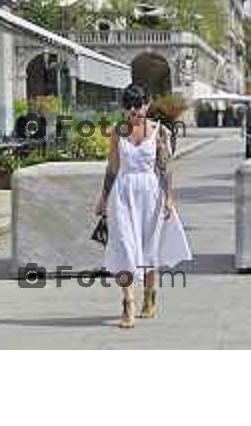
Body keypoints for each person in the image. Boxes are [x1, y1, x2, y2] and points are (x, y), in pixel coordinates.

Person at [95, 84, 192, 329]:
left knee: (150, 249)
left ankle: (150, 295)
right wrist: (103, 198)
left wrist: (169, 198)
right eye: (129, 108)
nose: (134, 113)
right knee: (125, 247)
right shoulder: (118, 131)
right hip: (123, 194)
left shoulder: (159, 131)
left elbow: (165, 167)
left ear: (147, 105)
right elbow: (112, 168)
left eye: (138, 107)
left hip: (151, 194)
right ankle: (128, 303)